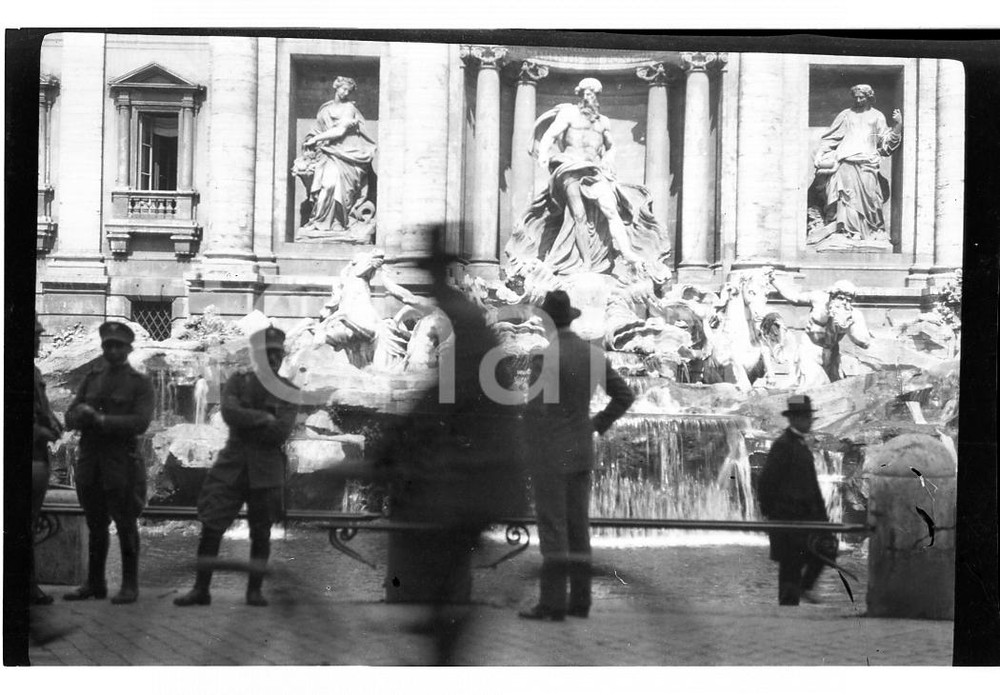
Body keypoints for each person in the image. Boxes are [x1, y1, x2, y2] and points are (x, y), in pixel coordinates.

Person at [519, 290, 635, 621]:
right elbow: (625, 395)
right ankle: (581, 601)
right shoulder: (592, 354)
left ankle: (553, 604)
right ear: (570, 320)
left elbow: (535, 411)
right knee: (578, 529)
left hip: (550, 456)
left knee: (553, 529)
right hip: (581, 451)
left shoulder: (545, 358)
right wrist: (596, 425)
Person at [174, 326, 297, 608]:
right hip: (231, 468)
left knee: (261, 533)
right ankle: (201, 589)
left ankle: (254, 591)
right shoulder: (238, 382)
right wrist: (263, 418)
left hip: (265, 472)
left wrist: (249, 419)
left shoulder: (289, 392)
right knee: (211, 526)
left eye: (277, 354)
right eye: (267, 353)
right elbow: (229, 414)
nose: (273, 359)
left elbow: (281, 432)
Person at [505, 77, 666, 278]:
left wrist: (608, 159)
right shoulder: (569, 114)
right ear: (579, 95)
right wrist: (544, 153)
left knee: (611, 209)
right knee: (579, 215)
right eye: (585, 92)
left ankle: (627, 252)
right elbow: (550, 135)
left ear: (598, 97)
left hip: (594, 171)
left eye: (593, 93)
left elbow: (611, 147)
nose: (589, 96)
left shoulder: (603, 122)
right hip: (569, 167)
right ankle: (586, 262)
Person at [64, 321, 154, 605]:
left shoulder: (140, 383)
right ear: (103, 348)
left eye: (119, 346)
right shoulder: (91, 378)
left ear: (129, 349)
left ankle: (129, 585)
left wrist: (101, 420)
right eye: (108, 346)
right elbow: (69, 416)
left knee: (126, 524)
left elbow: (140, 422)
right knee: (96, 525)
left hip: (121, 464)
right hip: (91, 463)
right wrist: (81, 415)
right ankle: (95, 584)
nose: (113, 351)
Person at [757, 395, 833, 606]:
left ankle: (802, 589)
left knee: (822, 551)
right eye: (806, 417)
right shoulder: (784, 445)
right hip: (789, 520)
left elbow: (811, 487)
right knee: (791, 566)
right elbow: (766, 482)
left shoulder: (797, 444)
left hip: (804, 519)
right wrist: (773, 514)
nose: (810, 422)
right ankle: (790, 608)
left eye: (810, 417)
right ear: (794, 419)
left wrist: (822, 518)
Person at [807, 84, 902, 250]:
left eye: (861, 97)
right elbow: (832, 137)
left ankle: (872, 232)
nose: (858, 100)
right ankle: (847, 233)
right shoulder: (846, 114)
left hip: (867, 162)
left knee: (871, 199)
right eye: (856, 97)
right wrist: (821, 152)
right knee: (846, 198)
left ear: (869, 97)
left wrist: (898, 125)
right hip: (846, 161)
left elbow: (886, 144)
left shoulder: (877, 116)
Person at [293, 75, 377, 240]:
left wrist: (316, 139)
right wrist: (310, 141)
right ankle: (320, 223)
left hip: (347, 155)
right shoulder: (325, 109)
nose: (345, 93)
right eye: (343, 89)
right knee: (327, 185)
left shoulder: (349, 108)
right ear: (336, 87)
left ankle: (339, 223)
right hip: (327, 153)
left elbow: (340, 131)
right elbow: (316, 130)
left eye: (349, 91)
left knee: (336, 187)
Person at [768, 272, 872, 384]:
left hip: (832, 354)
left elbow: (865, 342)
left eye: (848, 300)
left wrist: (848, 327)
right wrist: (773, 280)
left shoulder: (854, 315)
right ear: (832, 296)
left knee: (833, 387)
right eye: (840, 298)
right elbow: (794, 297)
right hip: (810, 349)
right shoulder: (818, 299)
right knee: (813, 382)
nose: (844, 303)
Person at [32, 318, 63, 605]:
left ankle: (29, 585)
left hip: (39, 457)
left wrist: (53, 422)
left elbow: (43, 409)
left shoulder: (36, 371)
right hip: (29, 458)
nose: (39, 341)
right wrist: (43, 431)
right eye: (36, 335)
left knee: (29, 524)